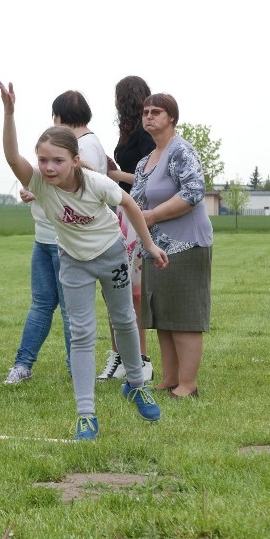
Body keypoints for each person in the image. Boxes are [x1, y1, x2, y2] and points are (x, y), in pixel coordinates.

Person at [0, 81, 169, 441]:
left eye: (57, 160)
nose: (47, 167)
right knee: (81, 334)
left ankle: (137, 384)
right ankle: (86, 415)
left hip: (111, 256)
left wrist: (150, 246)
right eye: (43, 160)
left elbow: (130, 205)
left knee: (124, 320)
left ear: (75, 160)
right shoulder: (40, 184)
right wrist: (10, 113)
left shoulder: (94, 182)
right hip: (73, 261)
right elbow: (13, 157)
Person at [3, 90, 103, 384]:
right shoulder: (68, 146)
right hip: (44, 239)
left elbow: (82, 190)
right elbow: (15, 159)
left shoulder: (85, 146)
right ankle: (23, 364)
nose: (49, 165)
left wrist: (37, 191)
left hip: (67, 243)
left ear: (59, 117)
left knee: (71, 310)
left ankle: (77, 370)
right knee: (42, 304)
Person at [131, 93, 213, 399]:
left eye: (157, 112)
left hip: (186, 244)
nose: (149, 116)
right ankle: (170, 378)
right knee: (163, 315)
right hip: (156, 247)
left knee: (185, 317)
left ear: (172, 118)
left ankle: (188, 384)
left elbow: (193, 192)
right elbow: (136, 200)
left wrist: (152, 215)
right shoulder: (145, 161)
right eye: (145, 112)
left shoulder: (181, 151)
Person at [100, 75, 156, 382]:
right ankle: (122, 355)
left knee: (133, 291)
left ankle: (141, 359)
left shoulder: (145, 137)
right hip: (124, 211)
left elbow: (148, 179)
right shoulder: (130, 132)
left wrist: (115, 173)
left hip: (138, 213)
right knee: (120, 288)